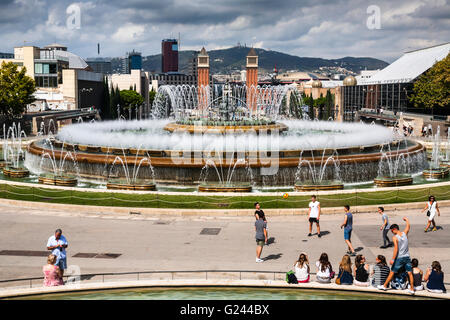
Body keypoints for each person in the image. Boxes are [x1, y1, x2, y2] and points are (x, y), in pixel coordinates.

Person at [377, 217, 415, 294]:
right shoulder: (405, 233)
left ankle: (384, 286)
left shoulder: (395, 237)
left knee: (392, 271)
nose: (392, 232)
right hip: (407, 257)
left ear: (394, 229)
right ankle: (412, 289)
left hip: (400, 258)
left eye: (392, 231)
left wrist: (393, 259)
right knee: (409, 273)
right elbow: (408, 226)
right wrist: (407, 220)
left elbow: (396, 249)